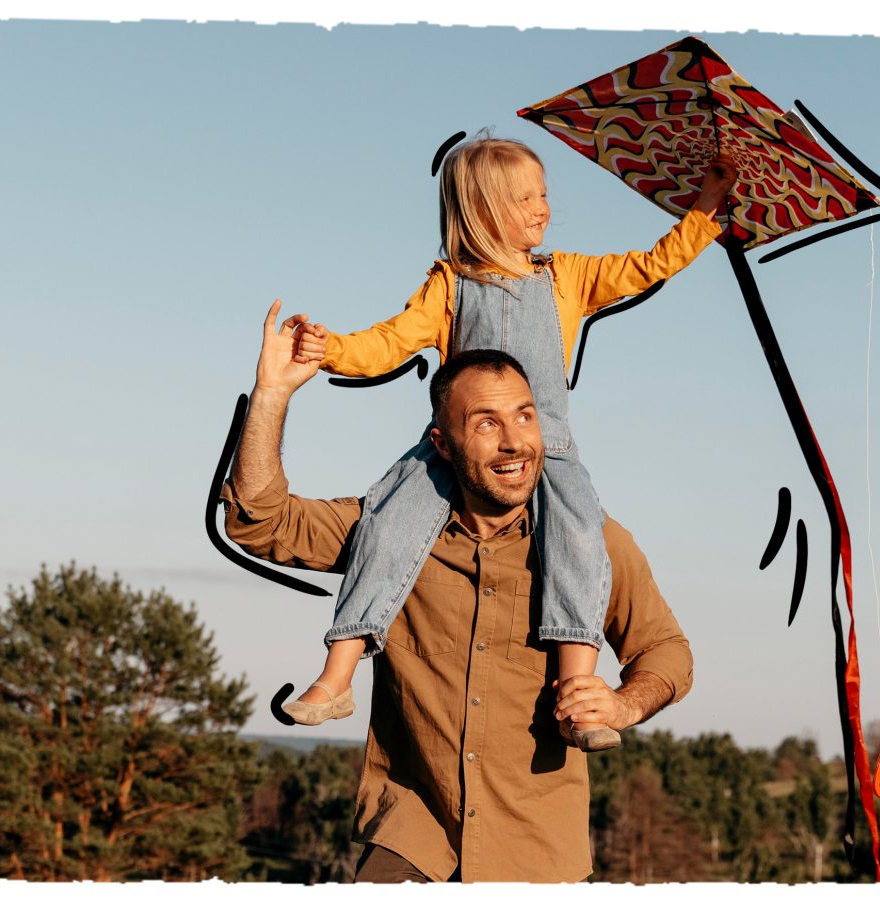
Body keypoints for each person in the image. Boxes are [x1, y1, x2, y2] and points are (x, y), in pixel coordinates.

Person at [275, 131, 735, 752]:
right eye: (524, 198)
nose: (542, 207)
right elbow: (389, 341)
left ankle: (579, 699)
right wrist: (330, 348)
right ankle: (337, 677)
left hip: (549, 449)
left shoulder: (567, 277)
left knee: (578, 546)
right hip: (460, 454)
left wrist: (705, 209)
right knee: (388, 522)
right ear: (483, 212)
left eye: (543, 193)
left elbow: (649, 264)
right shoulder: (449, 286)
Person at [222, 302, 693, 882]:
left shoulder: (594, 544)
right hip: (412, 836)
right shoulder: (386, 533)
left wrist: (624, 704)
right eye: (487, 424)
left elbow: (667, 652)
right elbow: (260, 521)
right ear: (442, 445)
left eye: (525, 417)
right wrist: (272, 396)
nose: (515, 442)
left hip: (536, 850)